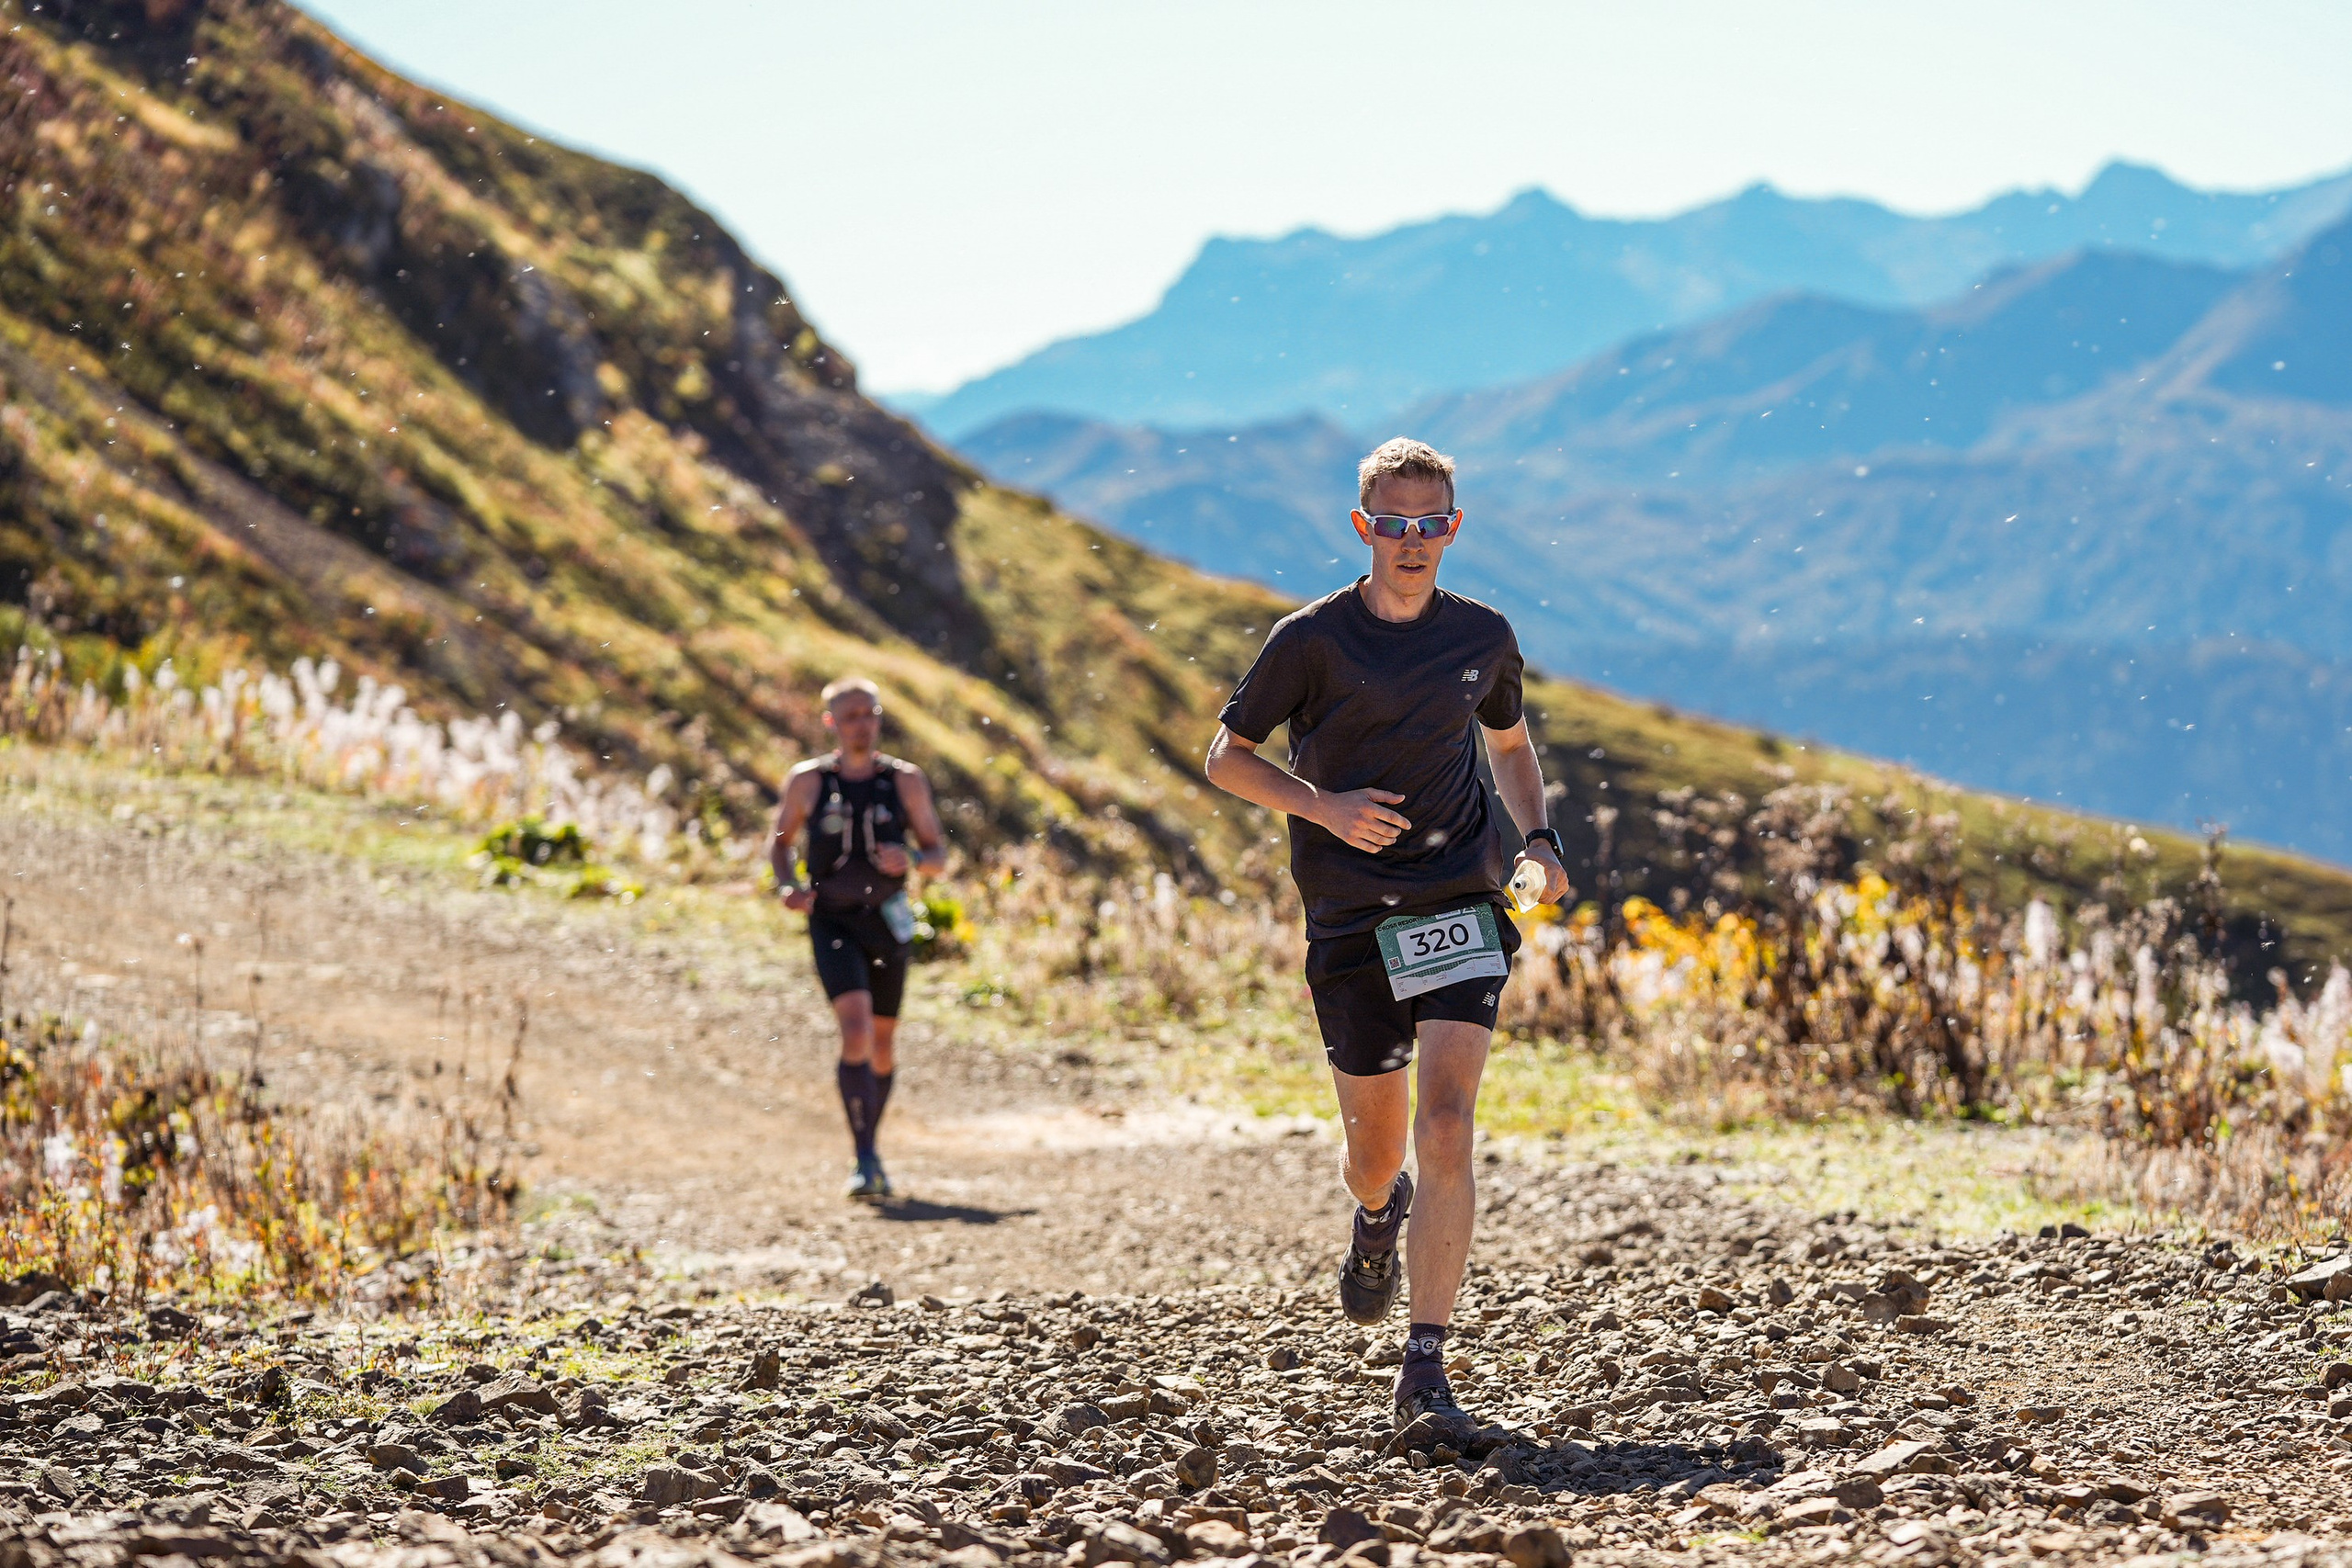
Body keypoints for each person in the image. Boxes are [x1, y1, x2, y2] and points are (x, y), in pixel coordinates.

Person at [1203, 437, 1570, 1443]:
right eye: (1394, 525)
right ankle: (1376, 1217)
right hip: (1350, 912)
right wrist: (1322, 805)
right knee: (1377, 1153)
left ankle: (1425, 1364)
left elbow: (1508, 743)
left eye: (1431, 523)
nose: (1413, 543)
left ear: (1453, 526)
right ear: (1364, 528)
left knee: (1446, 1122)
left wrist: (1536, 839)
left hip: (1457, 897)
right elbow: (1226, 758)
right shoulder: (1310, 640)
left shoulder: (1483, 635)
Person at [769, 677, 947, 1201]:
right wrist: (788, 886)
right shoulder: (808, 781)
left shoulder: (906, 782)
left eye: (869, 714)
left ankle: (870, 1148)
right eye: (850, 717)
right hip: (833, 921)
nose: (862, 724)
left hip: (887, 921)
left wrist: (912, 860)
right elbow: (779, 846)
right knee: (856, 1031)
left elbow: (938, 855)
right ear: (831, 723)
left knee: (884, 1042)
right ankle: (865, 1155)